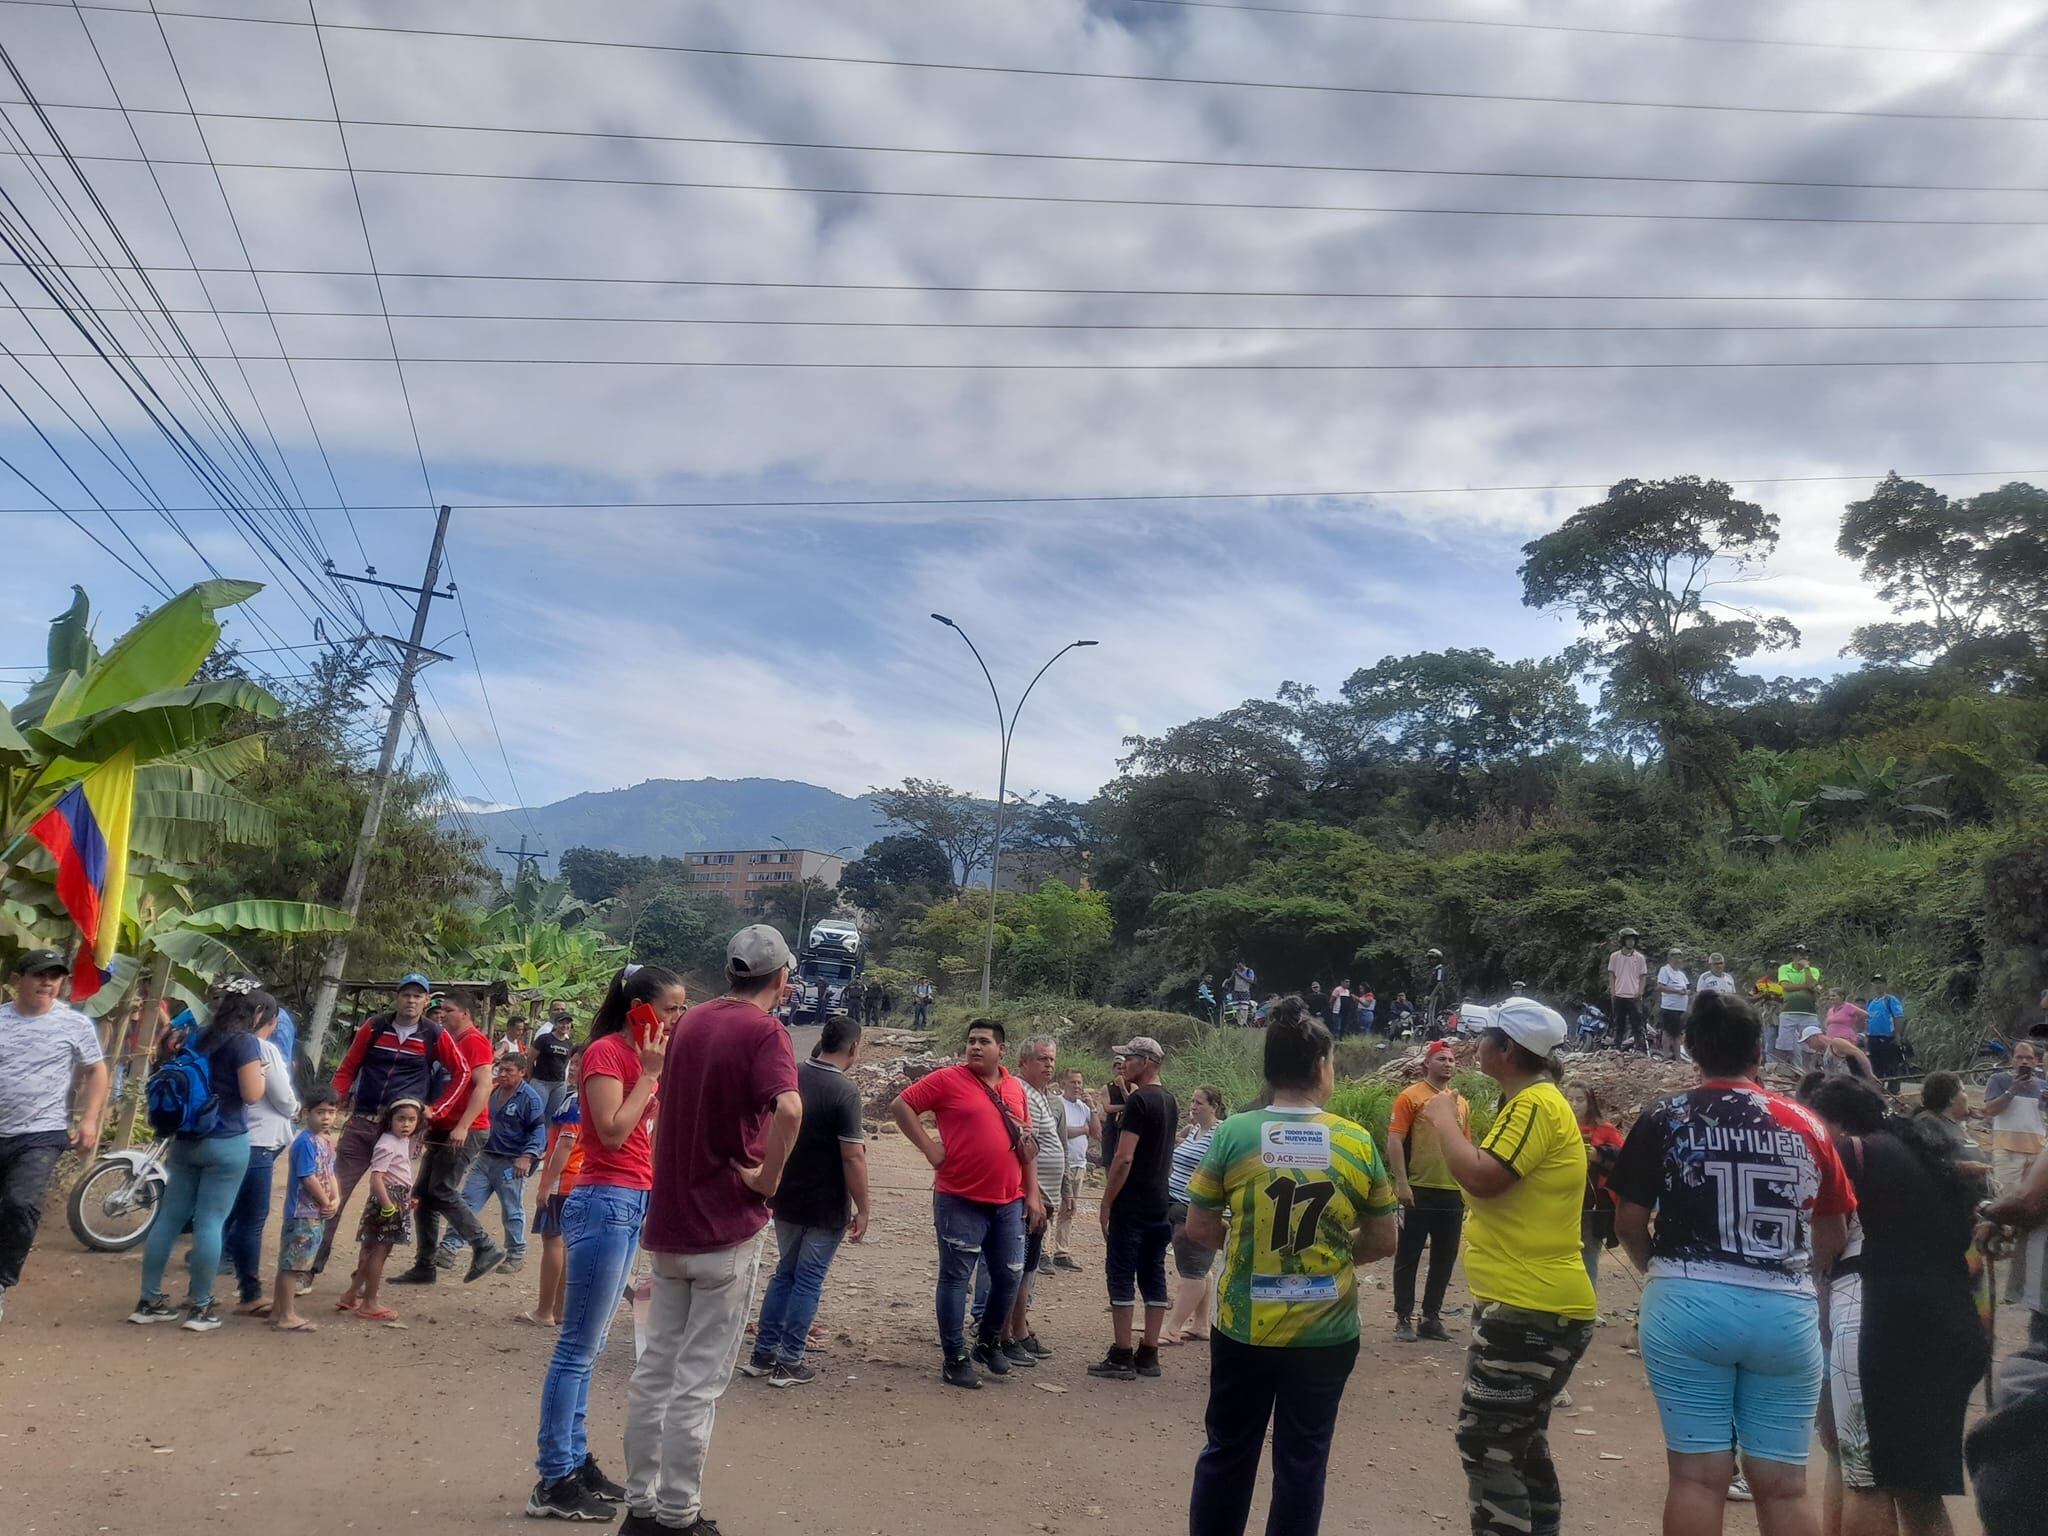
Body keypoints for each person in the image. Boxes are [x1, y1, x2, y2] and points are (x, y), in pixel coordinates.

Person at [1609, 989, 1853, 1536]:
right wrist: (1792, 1276)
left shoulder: (1664, 1117)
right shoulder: (1806, 1125)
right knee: (1787, 1486)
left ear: (1691, 1048)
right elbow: (1832, 1232)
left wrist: (1661, 1273)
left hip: (1686, 1302)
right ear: (1759, 1052)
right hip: (1785, 1313)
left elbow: (1628, 1221)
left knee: (1697, 1479)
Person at [1183, 996, 1399, 1536]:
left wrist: (1247, 1242)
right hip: (1325, 1331)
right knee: (1303, 1463)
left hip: (1244, 1324)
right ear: (1322, 1065)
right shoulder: (1355, 1141)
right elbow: (1383, 1238)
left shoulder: (1234, 1133)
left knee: (1227, 1451)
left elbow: (1199, 1228)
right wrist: (1333, 1253)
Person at [625, 929, 801, 1535]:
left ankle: (640, 1508)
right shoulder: (766, 1031)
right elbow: (790, 1108)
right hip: (725, 1227)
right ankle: (679, 1514)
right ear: (780, 978)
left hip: (669, 1224)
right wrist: (766, 1180)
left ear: (730, 973)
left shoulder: (692, 1021)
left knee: (654, 1371)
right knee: (698, 1382)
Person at [1416, 996, 1597, 1536]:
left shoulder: (1534, 1105)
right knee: (1519, 1443)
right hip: (1531, 1302)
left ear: (1507, 1050)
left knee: (1487, 1444)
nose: (1474, 1045)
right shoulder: (1532, 1102)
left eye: (1485, 1035)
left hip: (1529, 1305)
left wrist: (1444, 1118)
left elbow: (1484, 1177)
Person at [529, 964, 685, 1523]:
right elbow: (614, 1131)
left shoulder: (640, 1059)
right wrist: (649, 1075)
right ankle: (554, 1478)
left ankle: (574, 1461)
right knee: (576, 1348)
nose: (676, 1018)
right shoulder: (605, 1054)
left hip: (628, 1199)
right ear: (636, 1006)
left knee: (588, 1348)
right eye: (668, 1008)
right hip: (604, 1199)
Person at [1803, 1077, 1984, 1536]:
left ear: (1836, 1122)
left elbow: (1829, 1241)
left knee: (1867, 1478)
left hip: (1876, 1322)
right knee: (1918, 1490)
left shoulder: (1846, 1153)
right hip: (1949, 1326)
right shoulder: (1924, 1159)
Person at [890, 1017, 1042, 1390]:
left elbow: (1026, 1144)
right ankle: (954, 1356)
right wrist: (930, 1149)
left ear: (1001, 1050)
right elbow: (901, 1105)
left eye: (984, 1042)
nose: (975, 1047)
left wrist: (1033, 1193)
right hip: (959, 1197)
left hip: (1009, 1200)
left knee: (1009, 1275)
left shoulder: (1015, 1089)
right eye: (971, 1041)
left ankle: (988, 1341)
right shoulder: (947, 1080)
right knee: (956, 1278)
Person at [127, 985, 270, 1332]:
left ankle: (149, 1301)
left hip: (186, 1139)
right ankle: (200, 1307)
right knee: (210, 1222)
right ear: (255, 1013)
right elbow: (252, 1094)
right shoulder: (244, 1042)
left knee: (169, 1219)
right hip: (226, 1141)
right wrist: (262, 1072)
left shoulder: (198, 1036)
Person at [316, 972, 474, 1277]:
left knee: (387, 1202)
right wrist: (332, 1104)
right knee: (333, 1193)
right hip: (362, 1122)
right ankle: (311, 1264)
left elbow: (463, 1073)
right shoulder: (374, 1027)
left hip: (398, 1134)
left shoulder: (434, 1034)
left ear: (426, 1000)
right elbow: (349, 1067)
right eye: (406, 994)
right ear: (396, 997)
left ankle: (364, 1277)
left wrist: (436, 1110)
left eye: (418, 995)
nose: (411, 1000)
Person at [742, 1012, 869, 1388]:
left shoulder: (792, 1076)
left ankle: (763, 1354)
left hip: (786, 1195)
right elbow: (853, 1156)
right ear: (853, 1048)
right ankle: (790, 1360)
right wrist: (864, 1207)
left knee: (785, 1273)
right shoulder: (844, 1092)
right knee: (808, 1279)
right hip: (825, 1201)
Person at [0, 948, 109, 1324]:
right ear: (19, 980)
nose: (47, 982)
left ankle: (0, 1281)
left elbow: (97, 1071)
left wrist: (90, 1120)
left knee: (20, 1203)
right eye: (38, 975)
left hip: (41, 1132)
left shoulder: (74, 1025)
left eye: (55, 976)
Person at [393, 994, 503, 1286]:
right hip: (446, 1127)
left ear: (466, 1013)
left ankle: (484, 1246)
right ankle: (425, 1265)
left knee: (441, 1190)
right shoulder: (448, 1042)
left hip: (465, 1129)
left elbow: (484, 1085)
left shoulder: (474, 1040)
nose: (442, 1015)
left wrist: (464, 1126)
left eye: (449, 1011)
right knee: (425, 1196)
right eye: (438, 1011)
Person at [1091, 1035, 1177, 1382]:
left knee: (1122, 1274)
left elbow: (1124, 1157)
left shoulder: (1139, 1101)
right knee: (1154, 1273)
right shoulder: (1170, 1100)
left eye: (1130, 1057)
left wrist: (1107, 1201)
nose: (1124, 1063)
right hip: (1160, 1200)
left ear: (1148, 1063)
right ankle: (1149, 1351)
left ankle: (1122, 1352)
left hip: (1132, 1202)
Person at [436, 1051, 548, 1276]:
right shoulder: (493, 1090)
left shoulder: (530, 1098)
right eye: (501, 1069)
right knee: (466, 1202)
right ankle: (449, 1248)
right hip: (486, 1158)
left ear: (522, 1073)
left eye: (509, 1071)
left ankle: (516, 1253)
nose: (503, 1074)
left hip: (511, 1165)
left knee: (511, 1210)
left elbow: (539, 1130)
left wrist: (527, 1157)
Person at [223, 993, 300, 1315]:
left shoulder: (219, 1043)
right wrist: (296, 1108)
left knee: (221, 1216)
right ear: (268, 1019)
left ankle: (197, 1291)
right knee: (252, 1221)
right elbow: (283, 1098)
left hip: (225, 1136)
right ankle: (250, 1292)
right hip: (259, 1142)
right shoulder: (263, 1048)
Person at [1386, 1040, 1468, 1343]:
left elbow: (1464, 1145)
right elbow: (1395, 1140)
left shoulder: (1461, 1102)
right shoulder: (1411, 1097)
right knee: (1408, 1255)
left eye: (1451, 1059)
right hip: (1418, 1189)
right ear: (1427, 1064)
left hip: (1451, 1191)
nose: (1448, 1063)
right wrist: (1401, 1182)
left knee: (1445, 1257)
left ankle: (1431, 1317)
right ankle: (1403, 1317)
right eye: (1441, 1059)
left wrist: (1468, 1185)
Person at [988, 1032, 1063, 1362]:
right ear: (1023, 1062)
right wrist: (1034, 1195)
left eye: (1052, 1059)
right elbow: (1024, 1145)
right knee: (1017, 1267)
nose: (1049, 1065)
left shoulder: (1040, 1094)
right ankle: (1006, 1333)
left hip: (1043, 1197)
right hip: (1030, 1196)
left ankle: (1018, 1328)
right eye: (1042, 1059)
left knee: (1028, 1267)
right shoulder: (1022, 1093)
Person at [336, 1097, 421, 1322]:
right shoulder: (387, 1143)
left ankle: (351, 1294)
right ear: (389, 1120)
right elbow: (377, 1178)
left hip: (396, 1198)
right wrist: (389, 1207)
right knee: (379, 1253)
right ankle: (369, 1303)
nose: (406, 1124)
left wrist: (407, 1197)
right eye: (401, 1119)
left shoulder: (402, 1140)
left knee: (374, 1250)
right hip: (388, 1201)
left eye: (411, 1119)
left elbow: (399, 1171)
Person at [518, 1054, 585, 1330]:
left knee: (553, 1242)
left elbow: (565, 1146)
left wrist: (545, 1184)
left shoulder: (575, 1101)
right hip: (582, 1179)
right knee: (567, 1244)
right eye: (575, 1063)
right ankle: (559, 1309)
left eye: (582, 1063)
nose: (575, 1069)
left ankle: (545, 1310)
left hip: (563, 1181)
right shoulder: (599, 1099)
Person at [269, 1085, 340, 1332]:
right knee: (293, 1265)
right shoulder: (304, 1142)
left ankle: (278, 1310)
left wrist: (336, 1198)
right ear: (306, 1113)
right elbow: (307, 1177)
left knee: (292, 1262)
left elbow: (330, 1173)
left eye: (331, 1112)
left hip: (315, 1213)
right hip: (302, 1213)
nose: (326, 1118)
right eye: (320, 1112)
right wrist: (324, 1201)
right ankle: (286, 1315)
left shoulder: (326, 1142)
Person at [1162, 1085, 1226, 1345]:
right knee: (1199, 1267)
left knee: (1193, 1271)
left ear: (1214, 1106)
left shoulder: (1221, 1133)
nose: (1193, 1106)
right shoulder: (1192, 1131)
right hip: (1177, 1202)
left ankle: (1172, 1328)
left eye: (1199, 1102)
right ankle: (1200, 1325)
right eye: (1192, 1101)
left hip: (1197, 1208)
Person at [1984, 1040, 2045, 1308]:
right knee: (2008, 1197)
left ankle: (2019, 1253)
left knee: (2031, 1205)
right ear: (2012, 1060)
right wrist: (2012, 1090)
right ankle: (2003, 1246)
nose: (2024, 1062)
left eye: (2029, 1059)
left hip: (2037, 1151)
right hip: (2007, 1148)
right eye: (2019, 1058)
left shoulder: (2043, 1085)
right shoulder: (1999, 1079)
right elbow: (1990, 1109)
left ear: (2035, 1061)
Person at [1564, 1083, 1623, 1287]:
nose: (1574, 1104)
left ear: (1590, 1102)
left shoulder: (1605, 1130)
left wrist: (1599, 1156)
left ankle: (1587, 1307)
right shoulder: (1559, 1126)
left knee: (1588, 1253)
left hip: (1592, 1205)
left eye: (1579, 1099)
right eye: (1570, 1099)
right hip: (1562, 1202)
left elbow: (1624, 1159)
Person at [1055, 1066, 1095, 1270]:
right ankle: (1042, 1252)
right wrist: (1082, 1129)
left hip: (1080, 1164)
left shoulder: (1084, 1106)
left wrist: (1093, 1108)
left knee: (1069, 1209)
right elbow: (1061, 1132)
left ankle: (1062, 1251)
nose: (1077, 1086)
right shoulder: (1058, 1104)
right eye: (1073, 1082)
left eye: (1080, 1082)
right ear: (1064, 1084)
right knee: (1051, 1207)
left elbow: (1096, 1133)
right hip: (1062, 1163)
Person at [1773, 942, 1824, 1068]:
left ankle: (1809, 1070)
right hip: (1789, 1011)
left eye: (1805, 954)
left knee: (1811, 1044)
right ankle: (1785, 1069)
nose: (1802, 957)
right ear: (1794, 955)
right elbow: (1786, 986)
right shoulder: (1784, 968)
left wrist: (1806, 968)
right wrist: (1806, 987)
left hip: (1809, 1012)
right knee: (1784, 1042)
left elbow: (1812, 984)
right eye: (1799, 954)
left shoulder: (1813, 970)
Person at [1608, 927, 1649, 1054]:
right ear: (1623, 941)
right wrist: (1613, 991)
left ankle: (1639, 1050)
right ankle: (1617, 1048)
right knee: (1619, 1023)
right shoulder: (1614, 956)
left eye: (1632, 940)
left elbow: (1643, 976)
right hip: (1619, 994)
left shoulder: (1640, 957)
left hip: (1634, 995)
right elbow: (1611, 975)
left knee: (1637, 1024)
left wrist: (1640, 992)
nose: (1631, 942)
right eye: (1628, 940)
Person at [530, 1008, 574, 1120]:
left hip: (559, 1084)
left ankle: (546, 1137)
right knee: (537, 1115)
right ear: (556, 1024)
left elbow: (566, 1061)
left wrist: (565, 1079)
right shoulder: (544, 1039)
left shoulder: (568, 1043)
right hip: (541, 1082)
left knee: (550, 1116)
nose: (565, 1026)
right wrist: (531, 1078)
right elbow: (530, 1059)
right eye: (562, 1023)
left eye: (567, 1023)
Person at [1863, 976, 1906, 1086]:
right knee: (1876, 1065)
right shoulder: (1871, 1002)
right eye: (1875, 983)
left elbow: (1898, 1016)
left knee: (1891, 1065)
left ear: (1885, 985)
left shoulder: (1890, 1000)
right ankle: (1878, 1088)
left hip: (1888, 1037)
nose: (1877, 985)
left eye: (1880, 983)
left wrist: (1897, 1034)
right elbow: (1868, 1020)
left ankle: (1893, 1089)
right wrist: (1867, 1036)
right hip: (1874, 1037)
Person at [1655, 948, 1692, 1059]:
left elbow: (1688, 988)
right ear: (1669, 958)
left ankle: (1677, 1057)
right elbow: (1660, 987)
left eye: (1679, 957)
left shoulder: (1681, 974)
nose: (1677, 959)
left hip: (1681, 1008)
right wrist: (1677, 991)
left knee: (1678, 1033)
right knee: (1668, 1032)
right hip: (1669, 1006)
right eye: (1674, 956)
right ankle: (1666, 1055)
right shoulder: (1665, 970)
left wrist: (1687, 992)